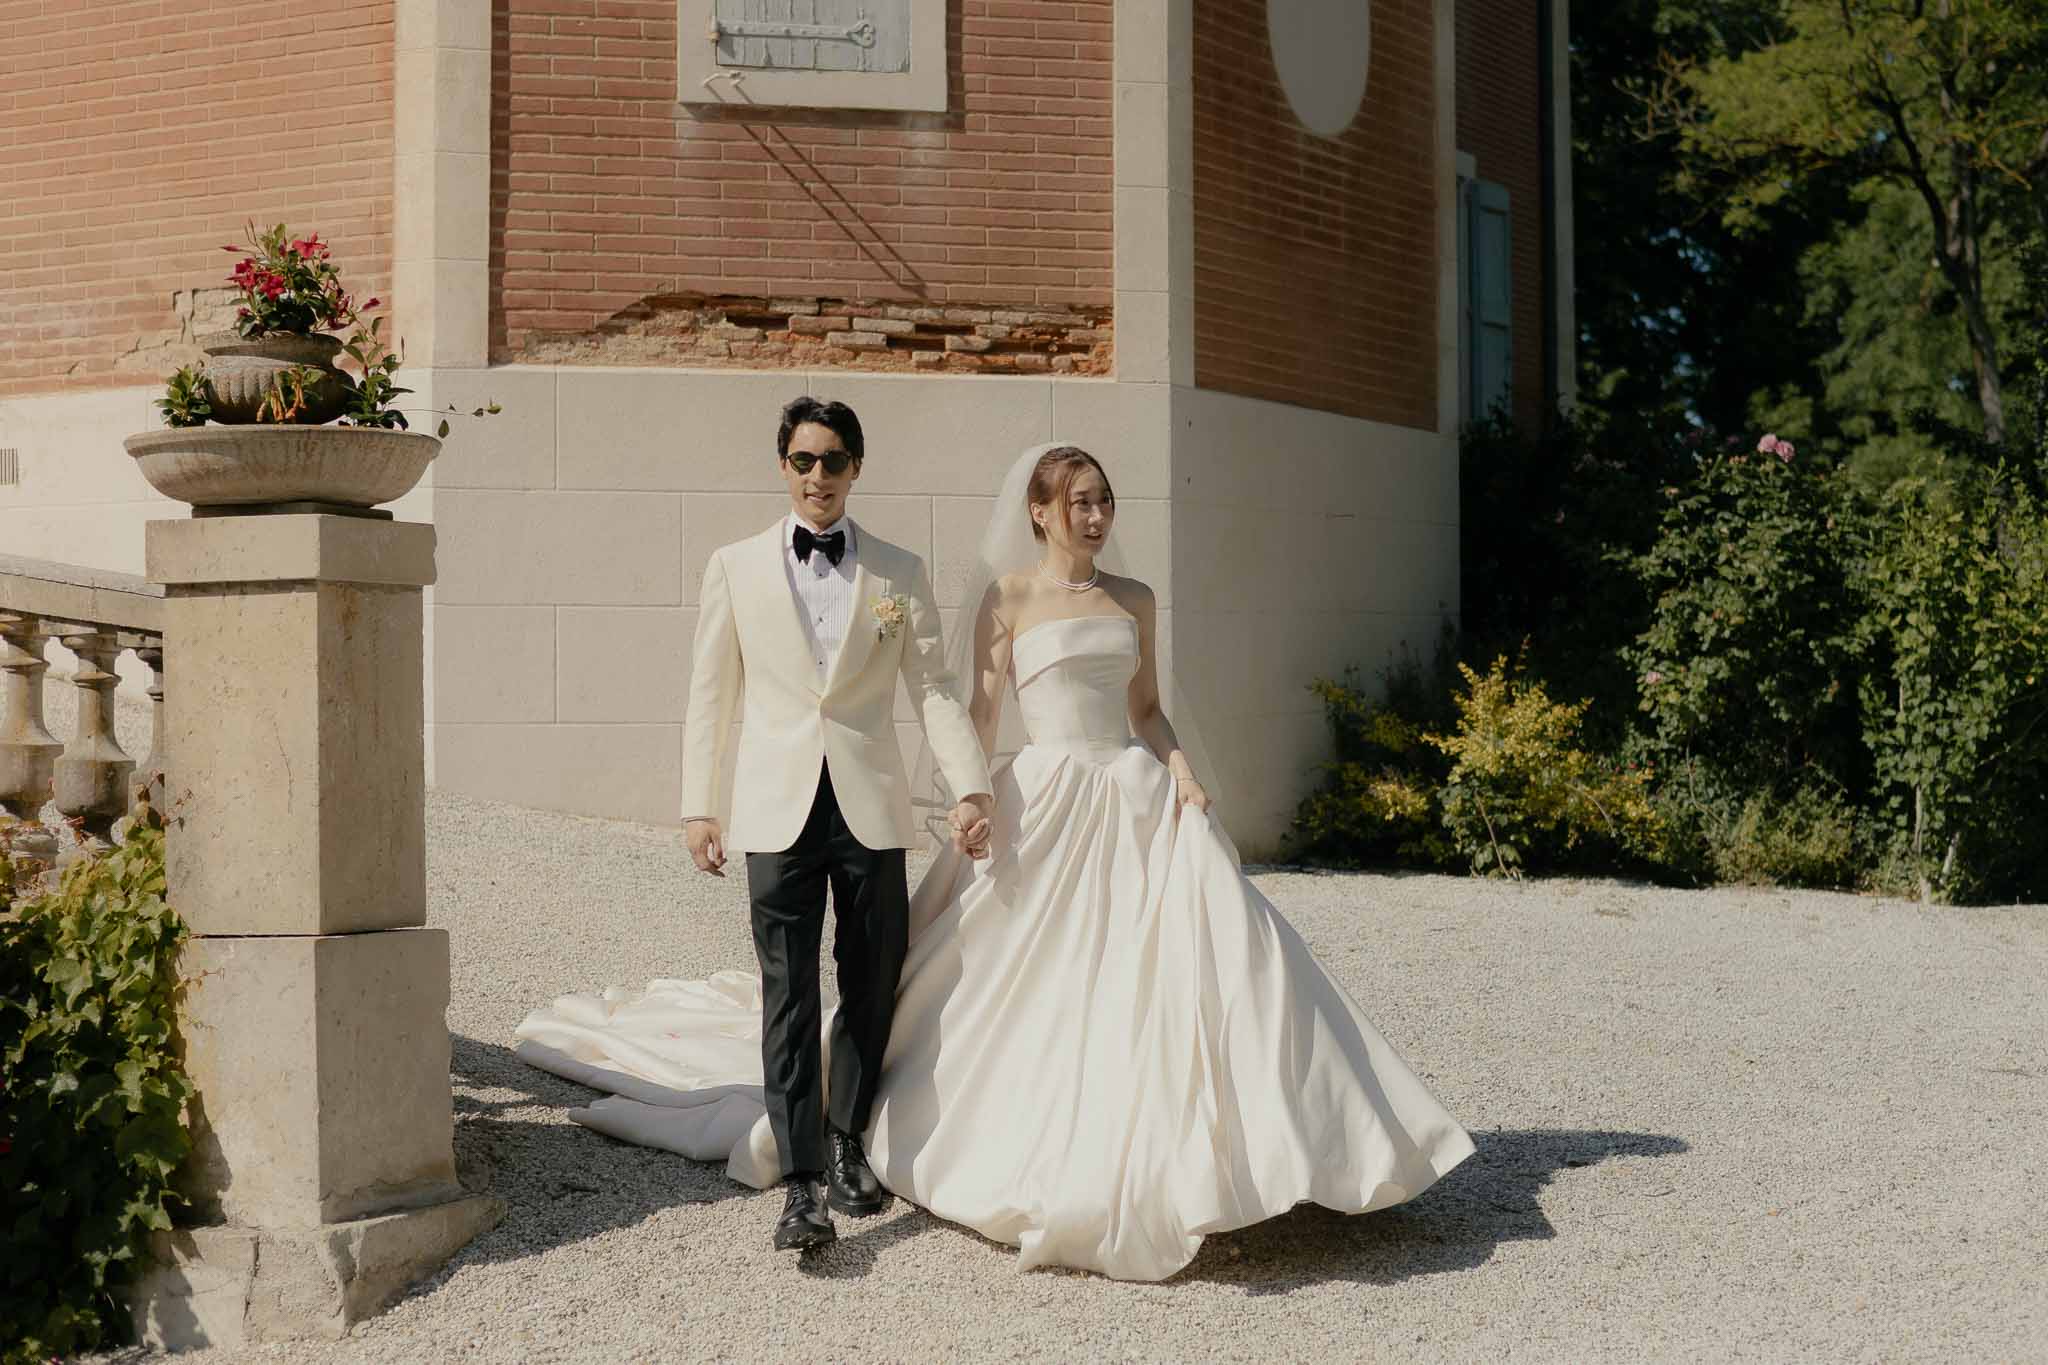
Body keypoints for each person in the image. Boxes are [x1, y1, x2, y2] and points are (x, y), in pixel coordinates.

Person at [517, 441, 1476, 1281]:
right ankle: (848, 1133)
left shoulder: (1136, 598)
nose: (1096, 515)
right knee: (979, 973)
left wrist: (1182, 774)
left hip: (1133, 796)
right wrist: (967, 795)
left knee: (1221, 964)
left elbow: (1145, 712)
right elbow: (966, 707)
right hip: (1044, 797)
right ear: (1041, 511)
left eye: (1106, 499)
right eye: (1081, 500)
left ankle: (1279, 1143)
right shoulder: (1007, 596)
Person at [671, 395, 995, 1251]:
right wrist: (699, 803)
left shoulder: (899, 570)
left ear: (857, 468)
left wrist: (970, 786)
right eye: (805, 460)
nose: (820, 476)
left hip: (869, 803)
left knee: (871, 972)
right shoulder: (734, 566)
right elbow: (713, 691)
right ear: (784, 465)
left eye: (835, 461)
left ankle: (849, 1133)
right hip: (775, 805)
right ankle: (805, 1182)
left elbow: (932, 688)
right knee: (788, 989)